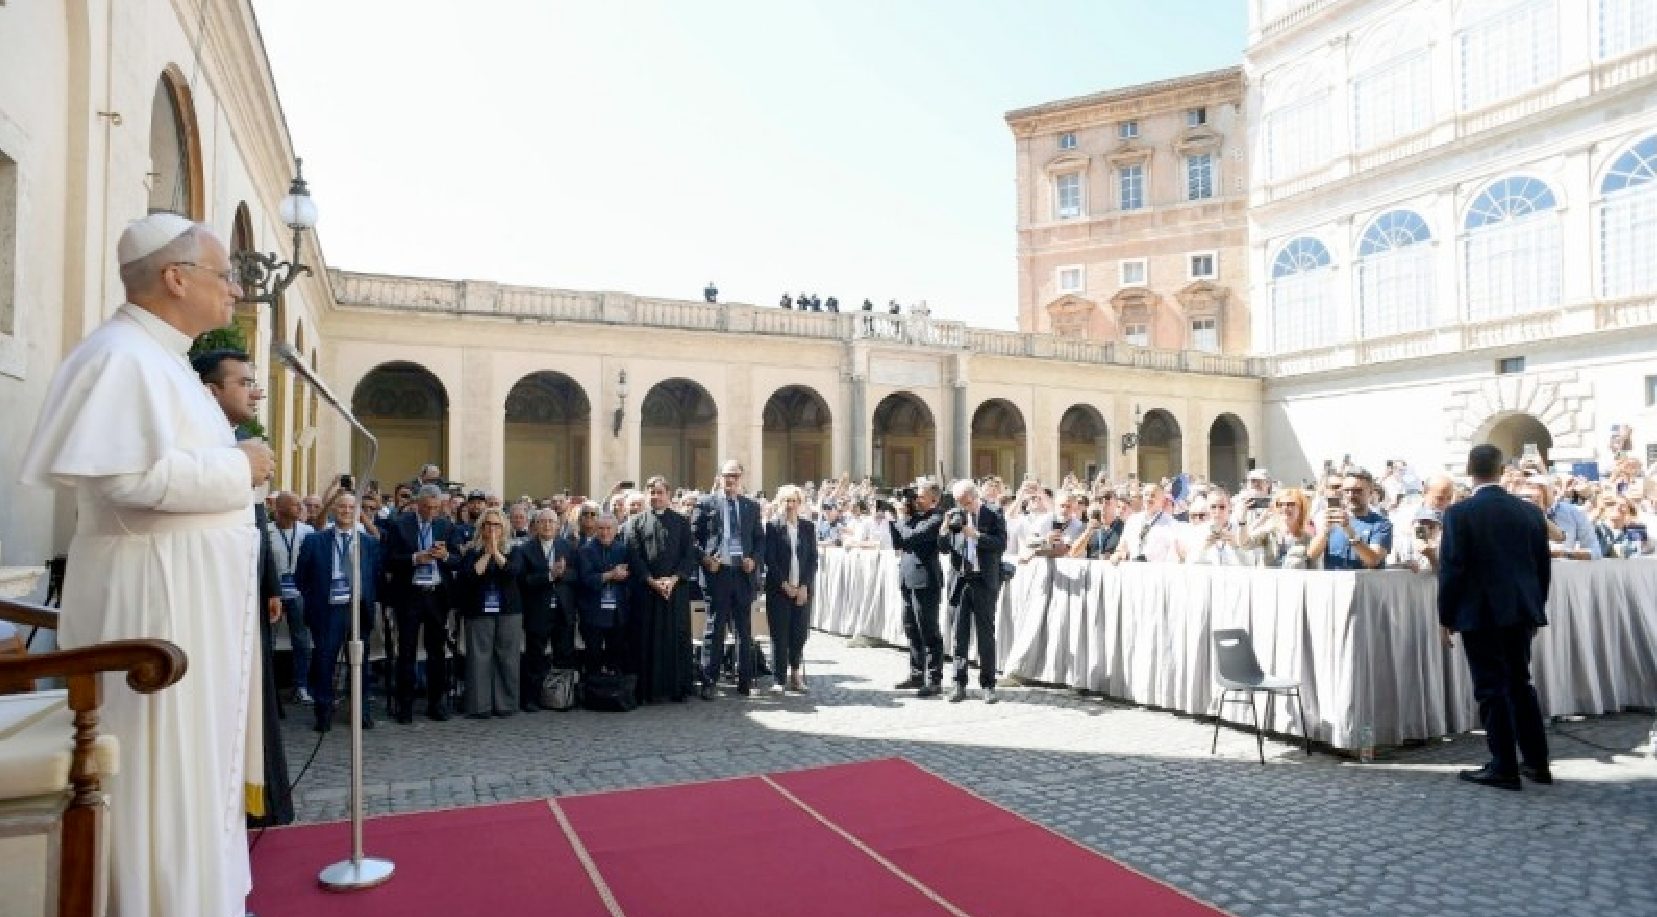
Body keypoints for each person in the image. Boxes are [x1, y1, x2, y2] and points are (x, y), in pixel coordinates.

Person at [19, 212, 274, 916]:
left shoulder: (165, 361)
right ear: (175, 278)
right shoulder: (119, 357)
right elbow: (125, 479)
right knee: (160, 768)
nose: (234, 290)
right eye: (223, 275)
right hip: (153, 604)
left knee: (192, 768)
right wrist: (239, 466)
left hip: (184, 602)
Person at [193, 348, 293, 829]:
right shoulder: (205, 444)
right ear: (210, 390)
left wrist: (269, 583)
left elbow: (257, 526)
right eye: (244, 383)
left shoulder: (242, 443)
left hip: (248, 587)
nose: (257, 392)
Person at [1438, 444, 1552, 791]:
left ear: (1469, 469)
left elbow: (1452, 569)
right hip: (1520, 609)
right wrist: (1535, 609)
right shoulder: (1530, 512)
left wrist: (1446, 616)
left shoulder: (1459, 513)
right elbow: (1542, 568)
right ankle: (1536, 762)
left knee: (1491, 688)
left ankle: (1504, 765)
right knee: (1520, 683)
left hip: (1480, 611)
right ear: (1502, 470)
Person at [294, 492, 380, 732]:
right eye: (342, 507)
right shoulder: (314, 540)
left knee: (359, 663)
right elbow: (301, 577)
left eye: (351, 507)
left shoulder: (369, 543)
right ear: (333, 510)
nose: (346, 511)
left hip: (357, 609)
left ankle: (361, 712)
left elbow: (376, 576)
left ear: (358, 512)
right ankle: (323, 713)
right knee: (325, 662)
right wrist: (316, 599)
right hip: (328, 610)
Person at [382, 484, 463, 723]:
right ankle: (405, 705)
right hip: (410, 594)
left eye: (436, 508)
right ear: (417, 504)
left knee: (436, 651)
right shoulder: (400, 525)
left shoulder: (445, 526)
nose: (431, 512)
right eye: (427, 507)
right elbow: (388, 560)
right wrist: (415, 558)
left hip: (436, 595)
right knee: (406, 650)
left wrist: (445, 556)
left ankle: (436, 703)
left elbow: (458, 560)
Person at [693, 459, 766, 697]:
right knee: (715, 628)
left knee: (743, 630)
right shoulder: (705, 503)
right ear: (719, 477)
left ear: (741, 478)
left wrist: (754, 559)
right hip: (718, 573)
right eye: (727, 475)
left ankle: (745, 681)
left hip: (742, 574)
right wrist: (706, 559)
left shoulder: (751, 506)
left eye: (735, 476)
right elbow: (692, 539)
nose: (730, 480)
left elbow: (760, 539)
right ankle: (709, 681)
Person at [626, 476, 699, 703]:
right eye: (652, 492)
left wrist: (673, 580)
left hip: (675, 591)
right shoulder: (635, 523)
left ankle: (677, 688)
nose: (656, 497)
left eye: (660, 492)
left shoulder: (682, 522)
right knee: (647, 640)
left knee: (676, 639)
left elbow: (689, 555)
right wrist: (652, 581)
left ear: (668, 495)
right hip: (647, 592)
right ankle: (648, 690)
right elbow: (634, 556)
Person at [940, 480, 1006, 703]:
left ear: (974, 496)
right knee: (959, 634)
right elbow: (943, 548)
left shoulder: (993, 513)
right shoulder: (955, 515)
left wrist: (976, 535)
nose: (962, 506)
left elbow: (1000, 543)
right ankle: (958, 683)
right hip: (960, 580)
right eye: (958, 502)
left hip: (983, 580)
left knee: (985, 635)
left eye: (965, 502)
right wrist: (944, 529)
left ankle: (988, 684)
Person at [456, 507, 524, 718]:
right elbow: (470, 575)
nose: (492, 529)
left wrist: (496, 552)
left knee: (507, 658)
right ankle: (480, 706)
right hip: (478, 610)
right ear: (481, 527)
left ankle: (506, 704)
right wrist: (487, 553)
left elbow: (513, 571)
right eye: (488, 524)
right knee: (479, 658)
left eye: (496, 525)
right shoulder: (472, 551)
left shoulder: (514, 549)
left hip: (509, 610)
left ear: (504, 527)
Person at [514, 508, 577, 711]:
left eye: (551, 521)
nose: (547, 525)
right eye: (543, 521)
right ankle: (531, 699)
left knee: (564, 655)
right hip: (538, 610)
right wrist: (549, 576)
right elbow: (523, 581)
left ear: (558, 525)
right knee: (535, 656)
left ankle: (562, 697)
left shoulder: (567, 546)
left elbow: (576, 575)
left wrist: (561, 574)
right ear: (536, 525)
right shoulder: (525, 549)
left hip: (562, 609)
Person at [887, 481, 946, 696]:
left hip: (925, 581)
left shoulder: (936, 518)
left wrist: (901, 518)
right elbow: (898, 542)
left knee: (928, 630)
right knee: (911, 628)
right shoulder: (914, 518)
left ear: (934, 499)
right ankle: (916, 674)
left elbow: (912, 537)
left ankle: (934, 679)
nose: (917, 500)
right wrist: (895, 518)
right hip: (907, 578)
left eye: (921, 496)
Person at [763, 485, 818, 693]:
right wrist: (784, 584)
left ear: (799, 503)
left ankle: (795, 675)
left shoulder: (808, 527)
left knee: (799, 634)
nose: (790, 505)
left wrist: (804, 586)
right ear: (780, 503)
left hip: (802, 591)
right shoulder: (773, 527)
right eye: (786, 500)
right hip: (779, 590)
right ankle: (779, 679)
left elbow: (812, 559)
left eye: (794, 501)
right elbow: (770, 559)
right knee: (780, 635)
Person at [267, 491, 316, 703]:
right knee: (269, 640)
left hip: (298, 592)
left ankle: (301, 685)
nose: (300, 508)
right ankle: (268, 688)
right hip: (274, 593)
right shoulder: (266, 531)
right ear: (280, 509)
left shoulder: (307, 531)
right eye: (295, 505)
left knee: (302, 640)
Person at [578, 514, 631, 674]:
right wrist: (611, 575)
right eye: (601, 528)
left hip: (617, 613)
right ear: (596, 529)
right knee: (593, 656)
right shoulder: (585, 550)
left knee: (616, 657)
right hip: (593, 613)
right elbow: (586, 579)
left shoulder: (623, 549)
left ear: (616, 530)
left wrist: (626, 575)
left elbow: (631, 577)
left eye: (609, 528)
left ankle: (613, 687)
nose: (605, 532)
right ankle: (593, 686)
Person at [1309, 469, 1391, 569]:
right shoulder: (1333, 520)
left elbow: (1373, 560)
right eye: (1347, 490)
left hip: (1365, 579)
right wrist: (1325, 530)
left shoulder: (1381, 524)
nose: (1351, 495)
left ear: (1370, 492)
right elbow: (1311, 556)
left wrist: (1349, 530)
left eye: (1357, 491)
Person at [1246, 487, 1315, 569]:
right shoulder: (1268, 532)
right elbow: (1245, 543)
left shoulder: (1309, 540)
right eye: (1280, 504)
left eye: (1290, 504)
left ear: (1301, 508)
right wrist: (1242, 519)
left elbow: (1315, 569)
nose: (1285, 508)